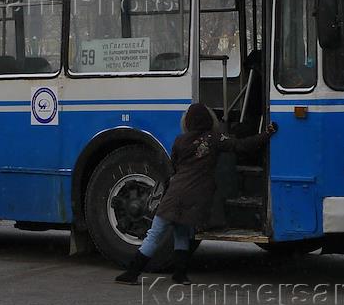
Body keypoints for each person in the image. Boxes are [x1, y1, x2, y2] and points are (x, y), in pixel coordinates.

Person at [115, 103, 276, 286]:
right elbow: (242, 146)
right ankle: (180, 275)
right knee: (183, 233)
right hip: (198, 196)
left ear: (189, 121)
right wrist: (267, 134)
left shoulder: (180, 140)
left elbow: (174, 166)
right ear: (208, 120)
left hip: (175, 193)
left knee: (155, 233)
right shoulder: (215, 138)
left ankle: (132, 273)